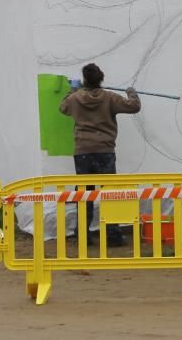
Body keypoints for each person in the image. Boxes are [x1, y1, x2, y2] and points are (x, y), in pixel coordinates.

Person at [60, 63, 141, 246]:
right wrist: (131, 92)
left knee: (84, 194)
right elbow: (134, 106)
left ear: (84, 80)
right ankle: (112, 235)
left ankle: (82, 235)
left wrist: (72, 90)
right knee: (109, 193)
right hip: (104, 151)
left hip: (82, 152)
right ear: (101, 78)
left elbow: (63, 107)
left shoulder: (75, 98)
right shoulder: (110, 98)